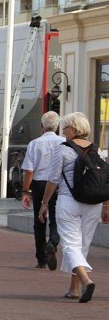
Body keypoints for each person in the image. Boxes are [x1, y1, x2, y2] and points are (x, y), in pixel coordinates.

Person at [39, 112, 103, 303]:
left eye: (65, 128)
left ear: (73, 129)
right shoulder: (95, 149)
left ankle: (86, 281)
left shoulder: (64, 149)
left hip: (69, 201)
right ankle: (73, 289)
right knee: (82, 245)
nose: (63, 131)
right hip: (93, 204)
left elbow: (53, 179)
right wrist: (106, 205)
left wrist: (44, 203)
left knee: (70, 245)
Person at [21, 111, 65, 269]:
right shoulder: (64, 142)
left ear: (42, 127)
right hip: (59, 183)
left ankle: (41, 258)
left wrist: (26, 191)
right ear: (57, 126)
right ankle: (53, 242)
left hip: (39, 183)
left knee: (39, 221)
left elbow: (29, 171)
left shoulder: (34, 143)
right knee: (56, 217)